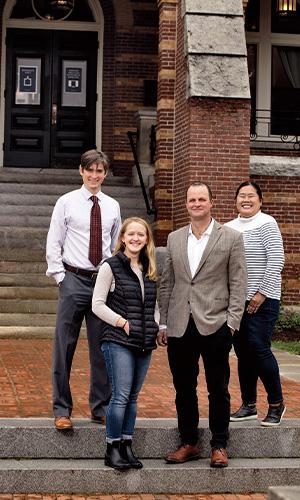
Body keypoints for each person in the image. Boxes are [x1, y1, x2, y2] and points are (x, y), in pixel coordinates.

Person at [157, 181, 247, 468]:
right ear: (186, 204)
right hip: (180, 324)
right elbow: (167, 283)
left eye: (201, 199)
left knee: (217, 388)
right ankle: (189, 443)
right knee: (184, 388)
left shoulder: (230, 237)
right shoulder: (174, 238)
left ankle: (219, 445)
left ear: (211, 202)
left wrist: (232, 323)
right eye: (191, 200)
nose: (196, 204)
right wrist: (164, 323)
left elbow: (238, 282)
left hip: (215, 323)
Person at [46, 149, 122, 431]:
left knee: (102, 349)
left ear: (105, 173)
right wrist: (60, 277)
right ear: (81, 171)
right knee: (64, 347)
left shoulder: (112, 206)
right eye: (89, 170)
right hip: (73, 279)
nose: (94, 175)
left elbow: (116, 246)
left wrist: (112, 278)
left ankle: (100, 407)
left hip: (101, 282)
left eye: (99, 171)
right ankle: (62, 409)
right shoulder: (66, 202)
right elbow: (54, 240)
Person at [92, 217, 159, 470]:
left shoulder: (149, 268)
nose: (135, 238)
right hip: (118, 340)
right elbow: (97, 304)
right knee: (119, 396)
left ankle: (127, 445)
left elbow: (154, 305)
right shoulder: (111, 266)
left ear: (146, 240)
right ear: (122, 237)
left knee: (132, 397)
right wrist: (121, 322)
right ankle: (112, 448)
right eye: (131, 234)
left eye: (141, 235)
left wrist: (156, 327)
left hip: (144, 341)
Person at [226, 180, 286, 426]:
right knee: (242, 353)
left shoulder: (267, 223)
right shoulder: (229, 228)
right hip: (238, 301)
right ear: (235, 200)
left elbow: (276, 261)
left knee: (258, 347)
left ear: (260, 200)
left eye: (251, 195)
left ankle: (276, 403)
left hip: (264, 299)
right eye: (241, 195)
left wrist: (261, 293)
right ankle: (249, 405)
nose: (246, 199)